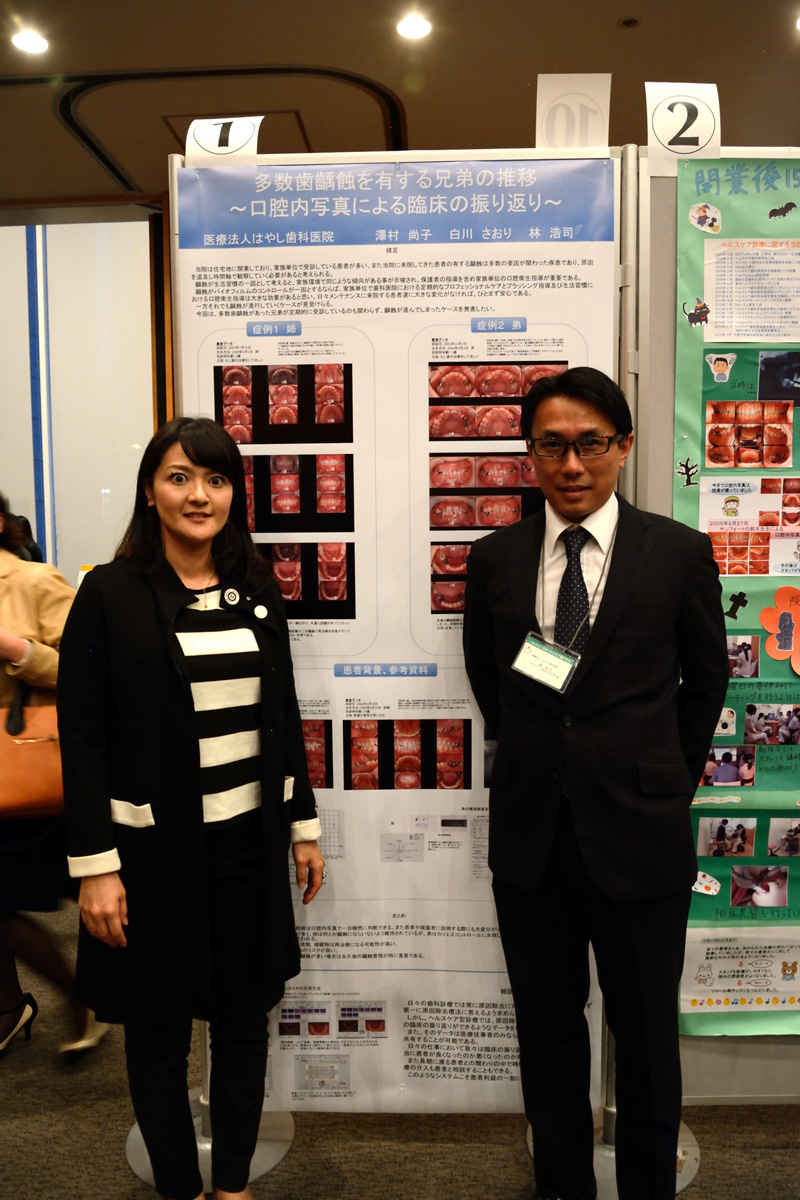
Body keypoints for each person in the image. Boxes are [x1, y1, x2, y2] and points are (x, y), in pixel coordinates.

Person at [462, 367, 729, 1200]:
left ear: (624, 447)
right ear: (530, 453)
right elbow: (491, 678)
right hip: (532, 836)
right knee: (546, 1033)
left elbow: (707, 680)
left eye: (589, 444)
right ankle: (562, 1187)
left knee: (645, 1038)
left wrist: (666, 780)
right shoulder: (496, 557)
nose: (571, 464)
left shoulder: (676, 552)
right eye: (552, 445)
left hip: (640, 834)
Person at [57, 418, 325, 1200]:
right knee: (158, 1028)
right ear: (151, 491)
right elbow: (83, 735)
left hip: (247, 846)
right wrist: (96, 867)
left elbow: (282, 712)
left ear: (234, 493)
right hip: (152, 854)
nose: (198, 495)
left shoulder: (256, 588)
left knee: (242, 1023)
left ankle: (232, 1185)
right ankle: (178, 1186)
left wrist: (303, 826)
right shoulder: (110, 593)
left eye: (214, 479)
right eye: (179, 478)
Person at [0, 489, 102, 1056]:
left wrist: (17, 649)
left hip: (24, 770)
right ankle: (10, 1008)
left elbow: (88, 670)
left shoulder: (34, 581)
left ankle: (79, 998)